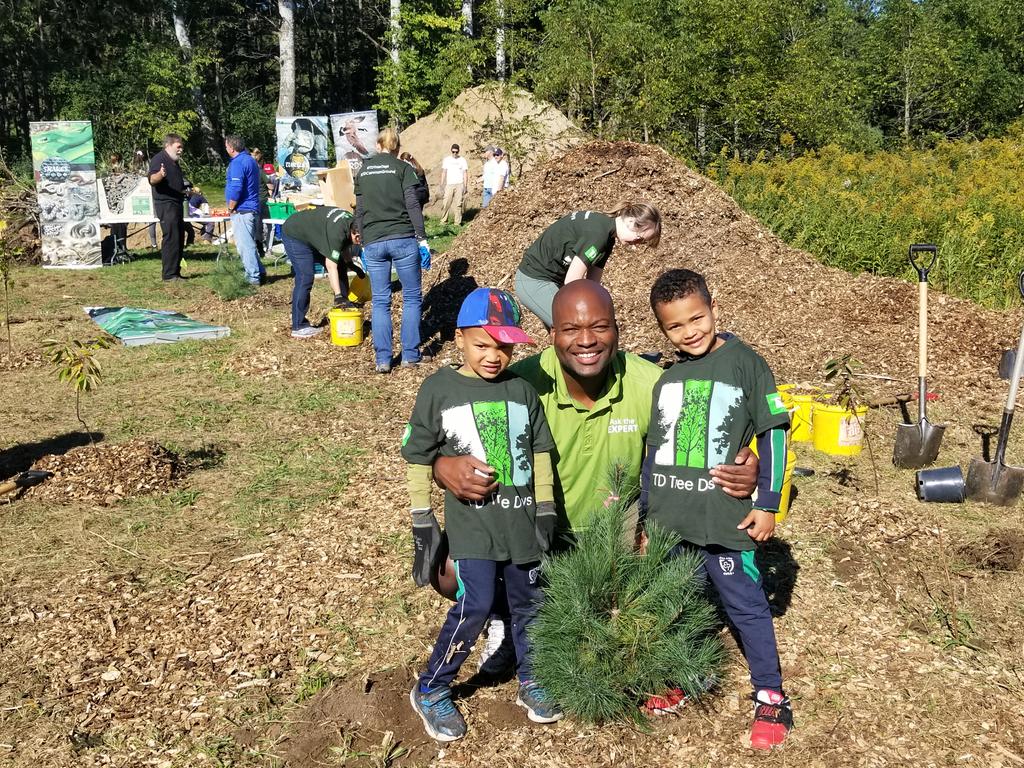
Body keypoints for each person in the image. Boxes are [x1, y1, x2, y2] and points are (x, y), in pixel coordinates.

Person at [432, 280, 759, 677]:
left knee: (611, 637)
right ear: (552, 335)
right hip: (535, 530)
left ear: (618, 330)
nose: (586, 341)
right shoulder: (520, 383)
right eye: (570, 330)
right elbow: (441, 422)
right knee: (450, 569)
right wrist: (440, 466)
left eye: (600, 327)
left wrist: (750, 462)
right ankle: (501, 615)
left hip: (616, 537)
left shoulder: (651, 383)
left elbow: (720, 416)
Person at [402, 287, 563, 742]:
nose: (493, 356)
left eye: (503, 346)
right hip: (473, 525)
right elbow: (419, 456)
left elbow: (541, 452)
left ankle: (531, 679)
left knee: (529, 605)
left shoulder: (521, 390)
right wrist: (422, 519)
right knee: (473, 606)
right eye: (482, 344)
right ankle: (432, 687)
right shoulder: (439, 388)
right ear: (459, 338)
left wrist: (545, 508)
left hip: (521, 524)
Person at [641, 268, 793, 748]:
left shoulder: (745, 364)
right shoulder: (669, 379)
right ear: (663, 330)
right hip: (672, 521)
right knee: (678, 604)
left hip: (724, 520)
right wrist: (646, 517)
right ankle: (687, 676)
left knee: (746, 606)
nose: (690, 332)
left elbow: (774, 434)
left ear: (713, 309)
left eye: (697, 318)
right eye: (676, 326)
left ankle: (771, 695)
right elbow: (655, 452)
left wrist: (768, 503)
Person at [354, 126, 429, 373]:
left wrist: (362, 242)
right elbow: (412, 204)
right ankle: (409, 355)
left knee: (380, 301)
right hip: (403, 239)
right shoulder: (403, 168)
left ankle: (383, 359)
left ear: (378, 146)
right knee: (411, 297)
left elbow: (360, 209)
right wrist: (422, 238)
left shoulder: (363, 171)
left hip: (374, 242)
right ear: (396, 147)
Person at [514, 204, 662, 327]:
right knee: (573, 327)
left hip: (552, 281)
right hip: (534, 280)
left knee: (575, 333)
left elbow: (593, 283)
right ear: (630, 221)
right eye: (639, 239)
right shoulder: (598, 235)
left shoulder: (607, 235)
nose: (636, 245)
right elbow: (572, 282)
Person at [281, 205, 364, 338]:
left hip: (314, 234)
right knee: (305, 277)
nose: (360, 243)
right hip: (295, 234)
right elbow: (331, 266)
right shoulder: (337, 232)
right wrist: (338, 295)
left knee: (341, 265)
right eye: (358, 238)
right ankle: (299, 326)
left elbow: (343, 245)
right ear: (353, 231)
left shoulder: (351, 223)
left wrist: (350, 264)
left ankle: (343, 307)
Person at [224, 134, 266, 286]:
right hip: (252, 207)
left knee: (244, 245)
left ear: (232, 147)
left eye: (226, 145)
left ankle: (253, 277)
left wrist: (231, 206)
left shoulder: (238, 162)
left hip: (242, 209)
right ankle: (260, 271)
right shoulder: (251, 160)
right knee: (250, 243)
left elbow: (236, 187)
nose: (226, 148)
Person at [148, 134, 188, 282]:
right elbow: (152, 179)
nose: (181, 150)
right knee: (171, 237)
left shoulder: (173, 161)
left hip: (176, 202)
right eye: (178, 146)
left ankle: (175, 272)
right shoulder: (159, 159)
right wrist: (160, 174)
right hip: (166, 204)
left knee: (178, 237)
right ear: (168, 145)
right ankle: (169, 274)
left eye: (181, 147)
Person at [132, 149, 159, 249]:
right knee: (153, 219)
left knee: (152, 219)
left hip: (146, 193)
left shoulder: (143, 165)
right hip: (146, 194)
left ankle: (154, 244)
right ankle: (154, 244)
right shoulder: (147, 164)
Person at [438, 143, 468, 226]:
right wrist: (441, 184)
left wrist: (465, 186)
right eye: (453, 152)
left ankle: (457, 222)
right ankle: (443, 220)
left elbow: (465, 173)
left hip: (459, 184)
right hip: (449, 184)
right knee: (446, 202)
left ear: (459, 151)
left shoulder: (462, 160)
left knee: (458, 204)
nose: (455, 154)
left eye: (456, 152)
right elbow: (444, 172)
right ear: (451, 151)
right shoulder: (447, 160)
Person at [251, 148, 272, 259]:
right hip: (262, 200)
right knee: (269, 225)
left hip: (252, 201)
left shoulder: (248, 172)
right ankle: (267, 249)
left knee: (256, 225)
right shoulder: (260, 171)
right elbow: (270, 185)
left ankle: (258, 249)